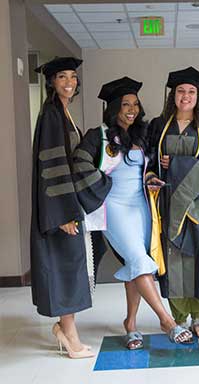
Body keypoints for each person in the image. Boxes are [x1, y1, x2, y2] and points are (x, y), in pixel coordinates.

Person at [72, 76, 192, 348]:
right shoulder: (98, 135)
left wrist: (151, 175)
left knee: (135, 263)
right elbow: (79, 162)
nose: (131, 109)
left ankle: (131, 323)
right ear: (114, 107)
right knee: (138, 258)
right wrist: (104, 184)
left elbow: (146, 167)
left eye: (135, 104)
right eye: (125, 104)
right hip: (114, 208)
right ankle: (166, 321)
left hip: (141, 206)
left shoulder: (142, 133)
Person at [146, 67, 199, 339]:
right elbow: (149, 164)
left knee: (197, 258)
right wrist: (154, 175)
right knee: (173, 260)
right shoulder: (158, 125)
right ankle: (177, 317)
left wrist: (177, 164)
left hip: (198, 207)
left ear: (198, 96)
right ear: (172, 95)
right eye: (180, 91)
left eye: (191, 92)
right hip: (167, 205)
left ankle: (197, 317)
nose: (185, 96)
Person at [30, 57, 95, 359]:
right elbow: (53, 166)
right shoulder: (52, 115)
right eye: (61, 77)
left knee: (67, 266)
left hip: (63, 206)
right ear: (51, 83)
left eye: (73, 76)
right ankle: (69, 336)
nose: (69, 82)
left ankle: (64, 328)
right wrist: (64, 214)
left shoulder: (63, 112)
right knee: (66, 268)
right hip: (59, 209)